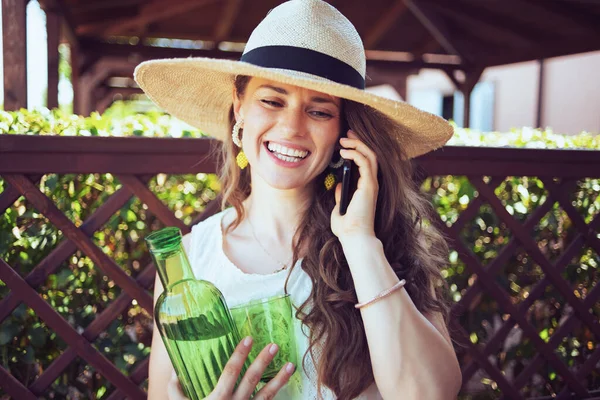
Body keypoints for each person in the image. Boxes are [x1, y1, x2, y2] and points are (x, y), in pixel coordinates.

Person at [135, 0, 462, 399]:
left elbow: (429, 395)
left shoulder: (385, 244)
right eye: (272, 101)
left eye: (319, 111)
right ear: (239, 107)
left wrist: (359, 240)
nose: (291, 127)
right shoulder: (188, 264)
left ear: (346, 131)